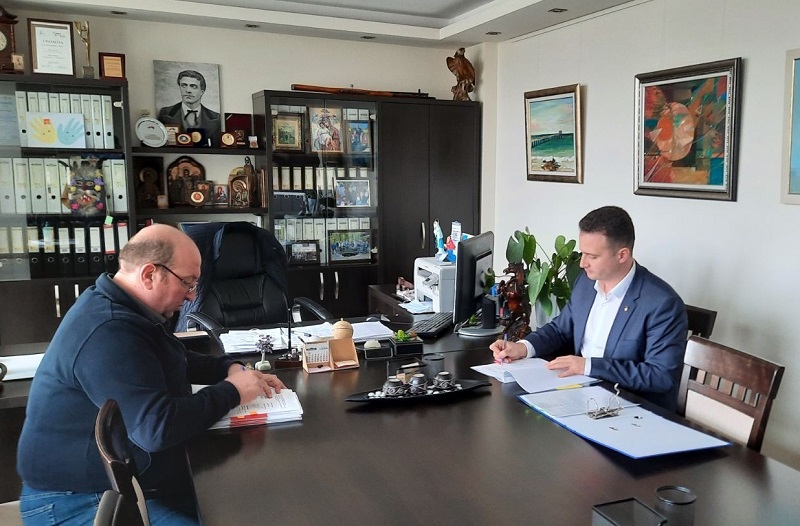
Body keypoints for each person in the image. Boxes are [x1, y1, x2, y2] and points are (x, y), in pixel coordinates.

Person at [17, 224, 285, 525]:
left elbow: (175, 357)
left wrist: (228, 368)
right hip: (74, 499)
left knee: (245, 498)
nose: (191, 295)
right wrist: (233, 391)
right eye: (188, 282)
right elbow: (156, 428)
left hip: (125, 476)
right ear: (149, 275)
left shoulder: (125, 307)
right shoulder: (109, 330)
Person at [490, 206, 687, 410]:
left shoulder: (662, 303)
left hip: (629, 406)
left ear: (622, 255)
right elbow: (561, 329)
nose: (582, 263)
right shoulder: (586, 282)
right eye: (582, 253)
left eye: (592, 256)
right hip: (579, 394)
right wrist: (523, 347)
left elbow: (660, 376)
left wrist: (588, 366)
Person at [157, 70, 221, 146]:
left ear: (202, 92)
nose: (188, 90)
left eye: (193, 86)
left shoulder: (216, 118)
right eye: (184, 85)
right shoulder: (165, 113)